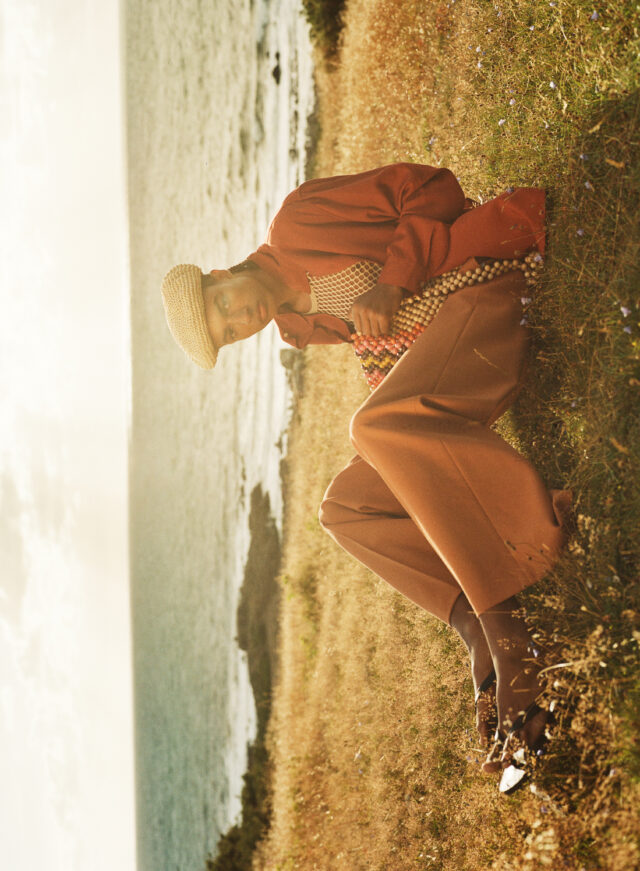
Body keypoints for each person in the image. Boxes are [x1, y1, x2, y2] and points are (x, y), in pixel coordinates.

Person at [161, 163, 571, 794]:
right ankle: (473, 630)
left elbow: (432, 187)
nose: (241, 318)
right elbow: (396, 344)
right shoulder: (296, 326)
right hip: (453, 361)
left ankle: (510, 635)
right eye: (230, 332)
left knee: (372, 428)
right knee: (344, 507)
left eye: (224, 305)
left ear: (220, 274)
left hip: (489, 288)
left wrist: (391, 282)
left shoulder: (298, 222)